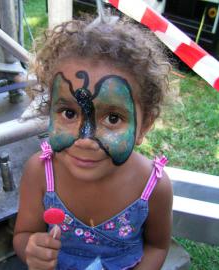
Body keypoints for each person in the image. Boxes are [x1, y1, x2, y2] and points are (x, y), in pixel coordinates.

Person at [13, 12, 173, 270]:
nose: (85, 139)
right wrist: (32, 249)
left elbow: (157, 246)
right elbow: (23, 236)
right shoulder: (40, 173)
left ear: (144, 125)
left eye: (112, 118)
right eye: (69, 113)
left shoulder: (153, 187)